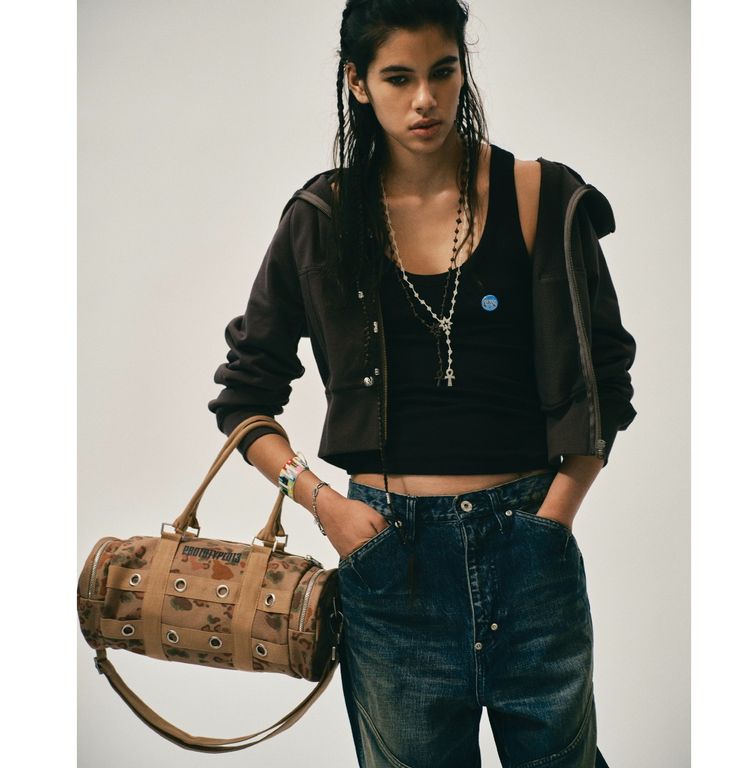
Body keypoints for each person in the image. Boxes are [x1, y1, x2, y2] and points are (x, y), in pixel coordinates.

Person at [208, 1, 636, 766]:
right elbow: (245, 398)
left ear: (463, 67)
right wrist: (328, 506)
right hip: (387, 560)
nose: (426, 100)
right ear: (358, 82)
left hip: (529, 548)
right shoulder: (322, 216)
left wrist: (555, 516)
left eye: (443, 71)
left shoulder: (540, 195)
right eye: (399, 78)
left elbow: (607, 379)